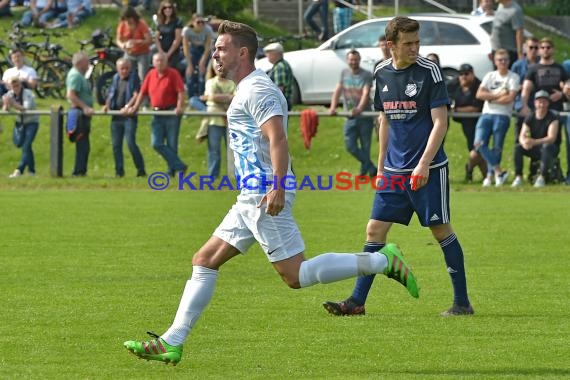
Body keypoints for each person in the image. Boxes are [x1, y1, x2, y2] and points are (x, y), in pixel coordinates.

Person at [123, 20, 419, 366]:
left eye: (221, 47)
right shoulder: (247, 87)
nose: (215, 53)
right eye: (216, 48)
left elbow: (277, 138)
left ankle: (383, 260)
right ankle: (172, 341)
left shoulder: (258, 89)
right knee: (204, 260)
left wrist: (277, 187)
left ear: (242, 52)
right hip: (249, 197)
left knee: (296, 276)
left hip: (263, 195)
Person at [323, 16, 472, 318]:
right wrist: (380, 169)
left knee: (440, 229)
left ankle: (462, 303)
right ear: (391, 45)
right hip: (392, 171)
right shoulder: (380, 73)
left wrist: (424, 164)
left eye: (417, 42)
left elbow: (440, 122)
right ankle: (356, 301)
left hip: (427, 170)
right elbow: (385, 121)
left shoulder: (429, 71)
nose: (415, 48)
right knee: (374, 230)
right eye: (408, 43)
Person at [127, 52, 186, 176]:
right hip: (157, 113)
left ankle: (171, 171)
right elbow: (142, 93)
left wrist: (180, 107)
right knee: (156, 143)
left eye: (162, 60)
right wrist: (135, 107)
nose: (159, 63)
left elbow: (181, 92)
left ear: (166, 62)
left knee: (172, 143)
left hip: (170, 112)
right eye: (157, 61)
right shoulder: (150, 74)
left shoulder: (173, 74)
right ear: (153, 63)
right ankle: (179, 165)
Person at [474, 49, 519, 187]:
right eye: (500, 60)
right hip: (486, 114)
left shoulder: (513, 77)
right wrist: (499, 95)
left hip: (502, 115)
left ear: (509, 61)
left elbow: (510, 98)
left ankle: (490, 176)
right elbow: (479, 94)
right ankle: (499, 172)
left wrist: (490, 97)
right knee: (479, 144)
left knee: (497, 147)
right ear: (495, 61)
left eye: (505, 59)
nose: (503, 62)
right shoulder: (490, 76)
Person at [328, 49, 376, 177]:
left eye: (355, 59)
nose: (353, 62)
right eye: (351, 59)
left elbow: (366, 93)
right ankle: (372, 168)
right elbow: (338, 90)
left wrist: (359, 108)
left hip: (365, 115)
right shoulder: (344, 73)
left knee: (366, 146)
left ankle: (365, 172)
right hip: (349, 116)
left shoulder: (366, 74)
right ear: (347, 60)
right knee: (350, 146)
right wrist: (333, 107)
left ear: (359, 60)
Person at [102, 58, 146, 178]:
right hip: (116, 116)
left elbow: (136, 95)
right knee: (116, 145)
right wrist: (106, 105)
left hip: (129, 116)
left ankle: (141, 170)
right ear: (117, 69)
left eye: (127, 68)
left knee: (131, 143)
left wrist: (128, 106)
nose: (125, 71)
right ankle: (119, 172)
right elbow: (111, 93)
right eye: (122, 68)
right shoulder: (115, 78)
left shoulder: (134, 78)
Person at [194, 61, 235, 178]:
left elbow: (236, 97)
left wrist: (217, 97)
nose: (219, 68)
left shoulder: (233, 82)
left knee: (233, 150)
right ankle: (213, 177)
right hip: (214, 120)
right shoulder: (210, 82)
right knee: (214, 151)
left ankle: (235, 176)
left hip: (231, 121)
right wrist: (228, 97)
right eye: (216, 66)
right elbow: (211, 97)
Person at [511, 90, 560, 188]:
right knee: (518, 148)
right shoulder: (530, 117)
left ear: (548, 103)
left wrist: (534, 142)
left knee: (546, 147)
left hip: (549, 147)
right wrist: (524, 142)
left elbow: (551, 138)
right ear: (535, 103)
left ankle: (541, 177)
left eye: (544, 102)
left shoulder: (552, 117)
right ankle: (518, 177)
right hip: (535, 147)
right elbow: (522, 134)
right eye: (539, 101)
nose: (541, 104)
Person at [451, 63, 487, 182]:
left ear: (472, 74)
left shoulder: (478, 85)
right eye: (461, 74)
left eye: (466, 74)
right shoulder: (455, 83)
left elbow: (475, 108)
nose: (463, 76)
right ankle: (487, 178)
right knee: (476, 150)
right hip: (466, 122)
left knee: (477, 150)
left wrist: (456, 110)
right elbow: (442, 90)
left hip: (480, 122)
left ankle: (470, 168)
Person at [520, 38, 568, 117]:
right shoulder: (533, 69)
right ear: (539, 50)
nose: (545, 50)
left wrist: (561, 94)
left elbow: (568, 85)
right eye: (542, 47)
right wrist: (524, 106)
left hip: (556, 109)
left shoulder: (560, 68)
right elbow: (526, 89)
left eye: (548, 47)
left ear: (553, 50)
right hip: (538, 109)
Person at [2, 77, 39, 178]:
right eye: (13, 86)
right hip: (19, 123)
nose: (15, 88)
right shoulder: (9, 94)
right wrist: (6, 105)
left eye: (17, 85)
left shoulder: (28, 94)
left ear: (21, 85)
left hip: (32, 122)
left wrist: (13, 104)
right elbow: (5, 109)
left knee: (26, 145)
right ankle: (32, 171)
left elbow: (25, 108)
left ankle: (19, 169)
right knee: (20, 144)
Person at [66, 51, 94, 177]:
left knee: (84, 144)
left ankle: (81, 170)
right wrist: (85, 107)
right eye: (87, 62)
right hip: (79, 114)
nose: (88, 64)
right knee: (82, 144)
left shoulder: (80, 75)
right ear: (81, 63)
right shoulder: (76, 76)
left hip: (81, 113)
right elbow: (71, 95)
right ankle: (79, 171)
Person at [511, 36, 540, 140]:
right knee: (519, 136)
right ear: (525, 48)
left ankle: (536, 155)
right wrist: (524, 86)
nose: (533, 50)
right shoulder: (517, 65)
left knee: (537, 135)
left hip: (539, 102)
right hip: (521, 103)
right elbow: (511, 86)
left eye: (536, 48)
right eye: (531, 47)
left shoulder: (543, 64)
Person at [116, 5, 152, 82]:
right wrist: (123, 45)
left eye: (129, 19)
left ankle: (142, 92)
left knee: (142, 76)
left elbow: (149, 40)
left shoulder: (141, 24)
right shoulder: (122, 24)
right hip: (129, 53)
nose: (128, 21)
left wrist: (138, 42)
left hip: (142, 53)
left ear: (134, 17)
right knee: (126, 74)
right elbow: (118, 40)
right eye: (125, 19)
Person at [182, 13, 214, 99]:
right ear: (193, 22)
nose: (200, 24)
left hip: (204, 50)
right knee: (189, 72)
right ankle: (191, 96)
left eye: (202, 22)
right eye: (198, 22)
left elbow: (208, 47)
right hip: (192, 50)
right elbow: (185, 47)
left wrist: (202, 62)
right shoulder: (187, 30)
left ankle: (201, 95)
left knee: (203, 72)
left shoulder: (208, 30)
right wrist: (189, 64)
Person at [490, 0, 524, 67]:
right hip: (496, 51)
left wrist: (520, 54)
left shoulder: (515, 10)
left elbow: (519, 32)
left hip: (508, 53)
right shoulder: (500, 6)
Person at [155, 1, 184, 73]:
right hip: (162, 49)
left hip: (173, 51)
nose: (167, 9)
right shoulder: (160, 22)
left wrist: (168, 54)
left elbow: (177, 40)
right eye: (165, 8)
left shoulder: (177, 21)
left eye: (169, 7)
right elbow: (156, 38)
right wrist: (160, 51)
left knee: (171, 70)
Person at [264, 42, 293, 111]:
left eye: (268, 53)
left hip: (279, 104)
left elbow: (279, 89)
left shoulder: (280, 67)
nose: (267, 55)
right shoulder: (282, 64)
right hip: (282, 102)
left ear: (275, 54)